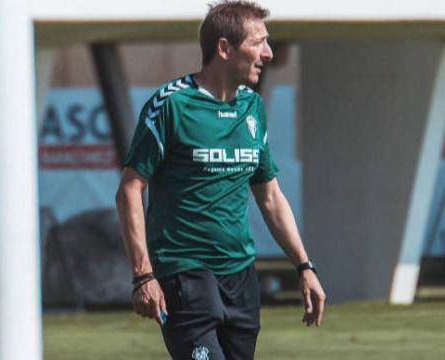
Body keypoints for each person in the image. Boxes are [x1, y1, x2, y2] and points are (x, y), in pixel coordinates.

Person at [115, 1, 326, 358]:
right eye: (258, 42)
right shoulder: (171, 106)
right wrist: (143, 275)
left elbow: (270, 195)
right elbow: (129, 190)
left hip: (240, 275)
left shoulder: (252, 108)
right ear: (224, 48)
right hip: (184, 272)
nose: (268, 53)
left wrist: (304, 266)